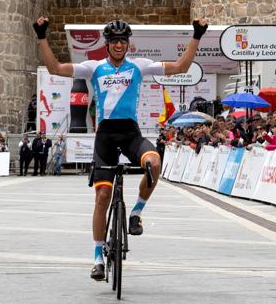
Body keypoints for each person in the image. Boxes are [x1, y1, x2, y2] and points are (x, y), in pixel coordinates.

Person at [33, 15, 208, 280]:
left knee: (155, 163)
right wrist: (41, 36)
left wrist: (197, 35)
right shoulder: (94, 68)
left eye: (122, 40)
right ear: (107, 44)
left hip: (129, 133)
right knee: (102, 197)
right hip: (105, 136)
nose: (118, 45)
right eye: (114, 40)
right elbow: (55, 68)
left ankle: (136, 213)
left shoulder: (140, 66)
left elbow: (181, 67)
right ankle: (97, 257)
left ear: (128, 44)